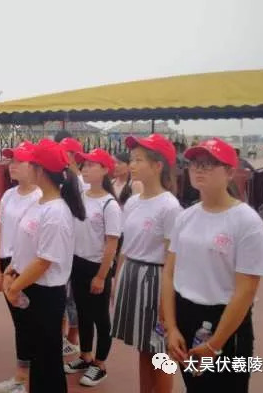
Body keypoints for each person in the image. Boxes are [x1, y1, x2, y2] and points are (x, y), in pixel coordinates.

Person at [162, 138, 263, 393]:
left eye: (211, 164)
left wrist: (215, 344)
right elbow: (169, 273)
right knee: (195, 386)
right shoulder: (185, 217)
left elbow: (246, 291)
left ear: (230, 172)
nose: (200, 169)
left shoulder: (246, 222)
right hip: (186, 316)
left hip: (226, 324)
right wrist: (172, 327)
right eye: (195, 164)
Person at [3, 138, 86, 393]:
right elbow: (24, 246)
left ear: (40, 170)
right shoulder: (40, 204)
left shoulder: (57, 212)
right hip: (31, 288)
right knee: (39, 358)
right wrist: (10, 271)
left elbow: (44, 261)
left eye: (29, 163)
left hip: (45, 295)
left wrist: (14, 287)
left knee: (48, 361)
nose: (21, 166)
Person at [111, 133, 182, 393]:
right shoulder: (132, 202)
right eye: (132, 159)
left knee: (160, 351)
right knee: (143, 346)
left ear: (157, 166)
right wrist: (117, 281)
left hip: (156, 279)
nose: (132, 165)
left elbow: (171, 259)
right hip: (132, 274)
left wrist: (168, 303)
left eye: (139, 160)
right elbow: (125, 248)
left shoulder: (170, 206)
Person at [65, 149, 121, 386]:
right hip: (77, 263)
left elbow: (112, 244)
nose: (86, 169)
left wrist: (101, 276)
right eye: (84, 165)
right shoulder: (82, 195)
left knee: (100, 318)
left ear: (105, 170)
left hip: (96, 267)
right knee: (83, 313)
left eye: (92, 165)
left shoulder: (109, 204)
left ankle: (100, 364)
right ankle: (85, 356)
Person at [0, 142, 41, 393]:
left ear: (34, 166)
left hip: (27, 268)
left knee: (29, 322)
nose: (12, 166)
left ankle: (27, 379)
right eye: (11, 161)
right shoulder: (9, 195)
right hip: (6, 264)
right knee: (20, 322)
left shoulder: (41, 197)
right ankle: (22, 376)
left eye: (18, 161)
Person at [56, 133, 84, 355]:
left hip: (75, 247)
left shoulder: (79, 181)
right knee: (62, 296)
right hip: (63, 246)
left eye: (64, 151)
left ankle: (72, 339)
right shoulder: (62, 178)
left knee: (72, 297)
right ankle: (63, 336)